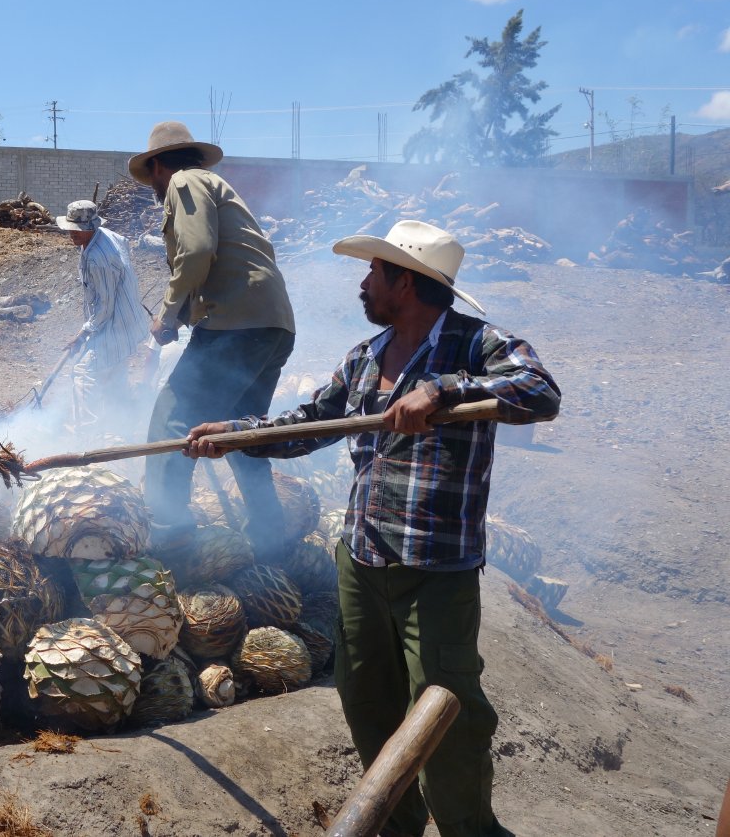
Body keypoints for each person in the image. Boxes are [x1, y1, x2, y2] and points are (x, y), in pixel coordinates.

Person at [186, 219, 561, 837]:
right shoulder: (366, 357)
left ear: (406, 282)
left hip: (435, 572)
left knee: (447, 715)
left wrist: (441, 391)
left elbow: (541, 393)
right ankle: (396, 826)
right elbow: (309, 422)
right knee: (367, 703)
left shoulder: (477, 344)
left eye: (373, 272)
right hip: (361, 562)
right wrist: (239, 433)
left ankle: (469, 828)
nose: (363, 284)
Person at [131, 120, 296, 557]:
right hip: (271, 325)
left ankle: (169, 534)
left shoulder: (183, 181)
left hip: (236, 327)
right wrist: (185, 315)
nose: (153, 184)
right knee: (244, 435)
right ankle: (269, 541)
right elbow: (220, 261)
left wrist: (167, 314)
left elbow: (198, 250)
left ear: (159, 166)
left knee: (171, 418)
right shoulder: (212, 183)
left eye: (151, 175)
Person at [53, 199, 150, 428]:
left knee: (83, 373)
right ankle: (123, 428)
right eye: (70, 228)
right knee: (114, 375)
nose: (71, 234)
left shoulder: (99, 259)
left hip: (114, 324)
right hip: (124, 321)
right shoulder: (107, 235)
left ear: (91, 228)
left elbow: (105, 307)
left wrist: (82, 334)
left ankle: (87, 436)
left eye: (77, 230)